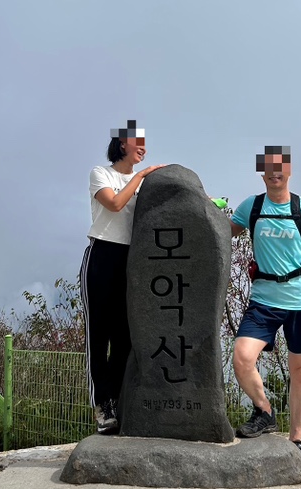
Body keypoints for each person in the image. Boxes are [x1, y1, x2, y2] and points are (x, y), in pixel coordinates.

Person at [229, 146, 301, 474]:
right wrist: (203, 209)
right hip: (264, 299)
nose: (275, 172)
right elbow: (222, 233)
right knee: (242, 357)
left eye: (280, 166)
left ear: (288, 170)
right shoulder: (252, 207)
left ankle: (296, 442)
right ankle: (264, 411)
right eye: (269, 167)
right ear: (261, 172)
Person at [80, 120, 165, 434]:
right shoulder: (101, 174)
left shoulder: (144, 183)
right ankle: (101, 405)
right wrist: (140, 176)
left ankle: (117, 401)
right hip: (102, 254)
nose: (143, 148)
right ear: (121, 143)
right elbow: (114, 204)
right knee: (99, 335)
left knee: (124, 336)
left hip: (132, 260)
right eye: (137, 141)